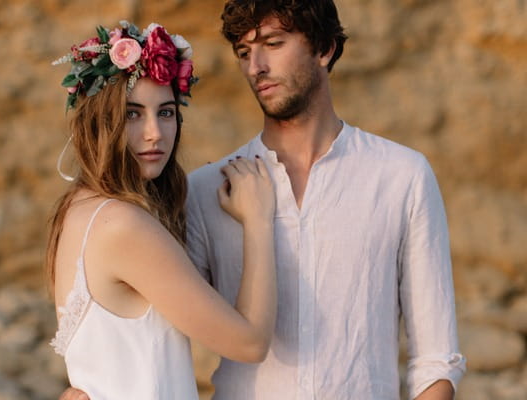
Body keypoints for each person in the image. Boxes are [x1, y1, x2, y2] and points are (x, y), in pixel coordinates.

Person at [63, 1, 467, 399]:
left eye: (273, 44)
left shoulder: (401, 176)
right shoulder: (205, 190)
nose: (256, 67)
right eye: (244, 52)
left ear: (325, 49)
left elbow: (436, 359)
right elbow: (133, 313)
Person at [47, 20, 277, 400]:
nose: (155, 133)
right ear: (99, 120)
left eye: (166, 112)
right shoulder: (122, 224)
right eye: (133, 114)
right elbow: (250, 344)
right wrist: (258, 221)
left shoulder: (78, 209)